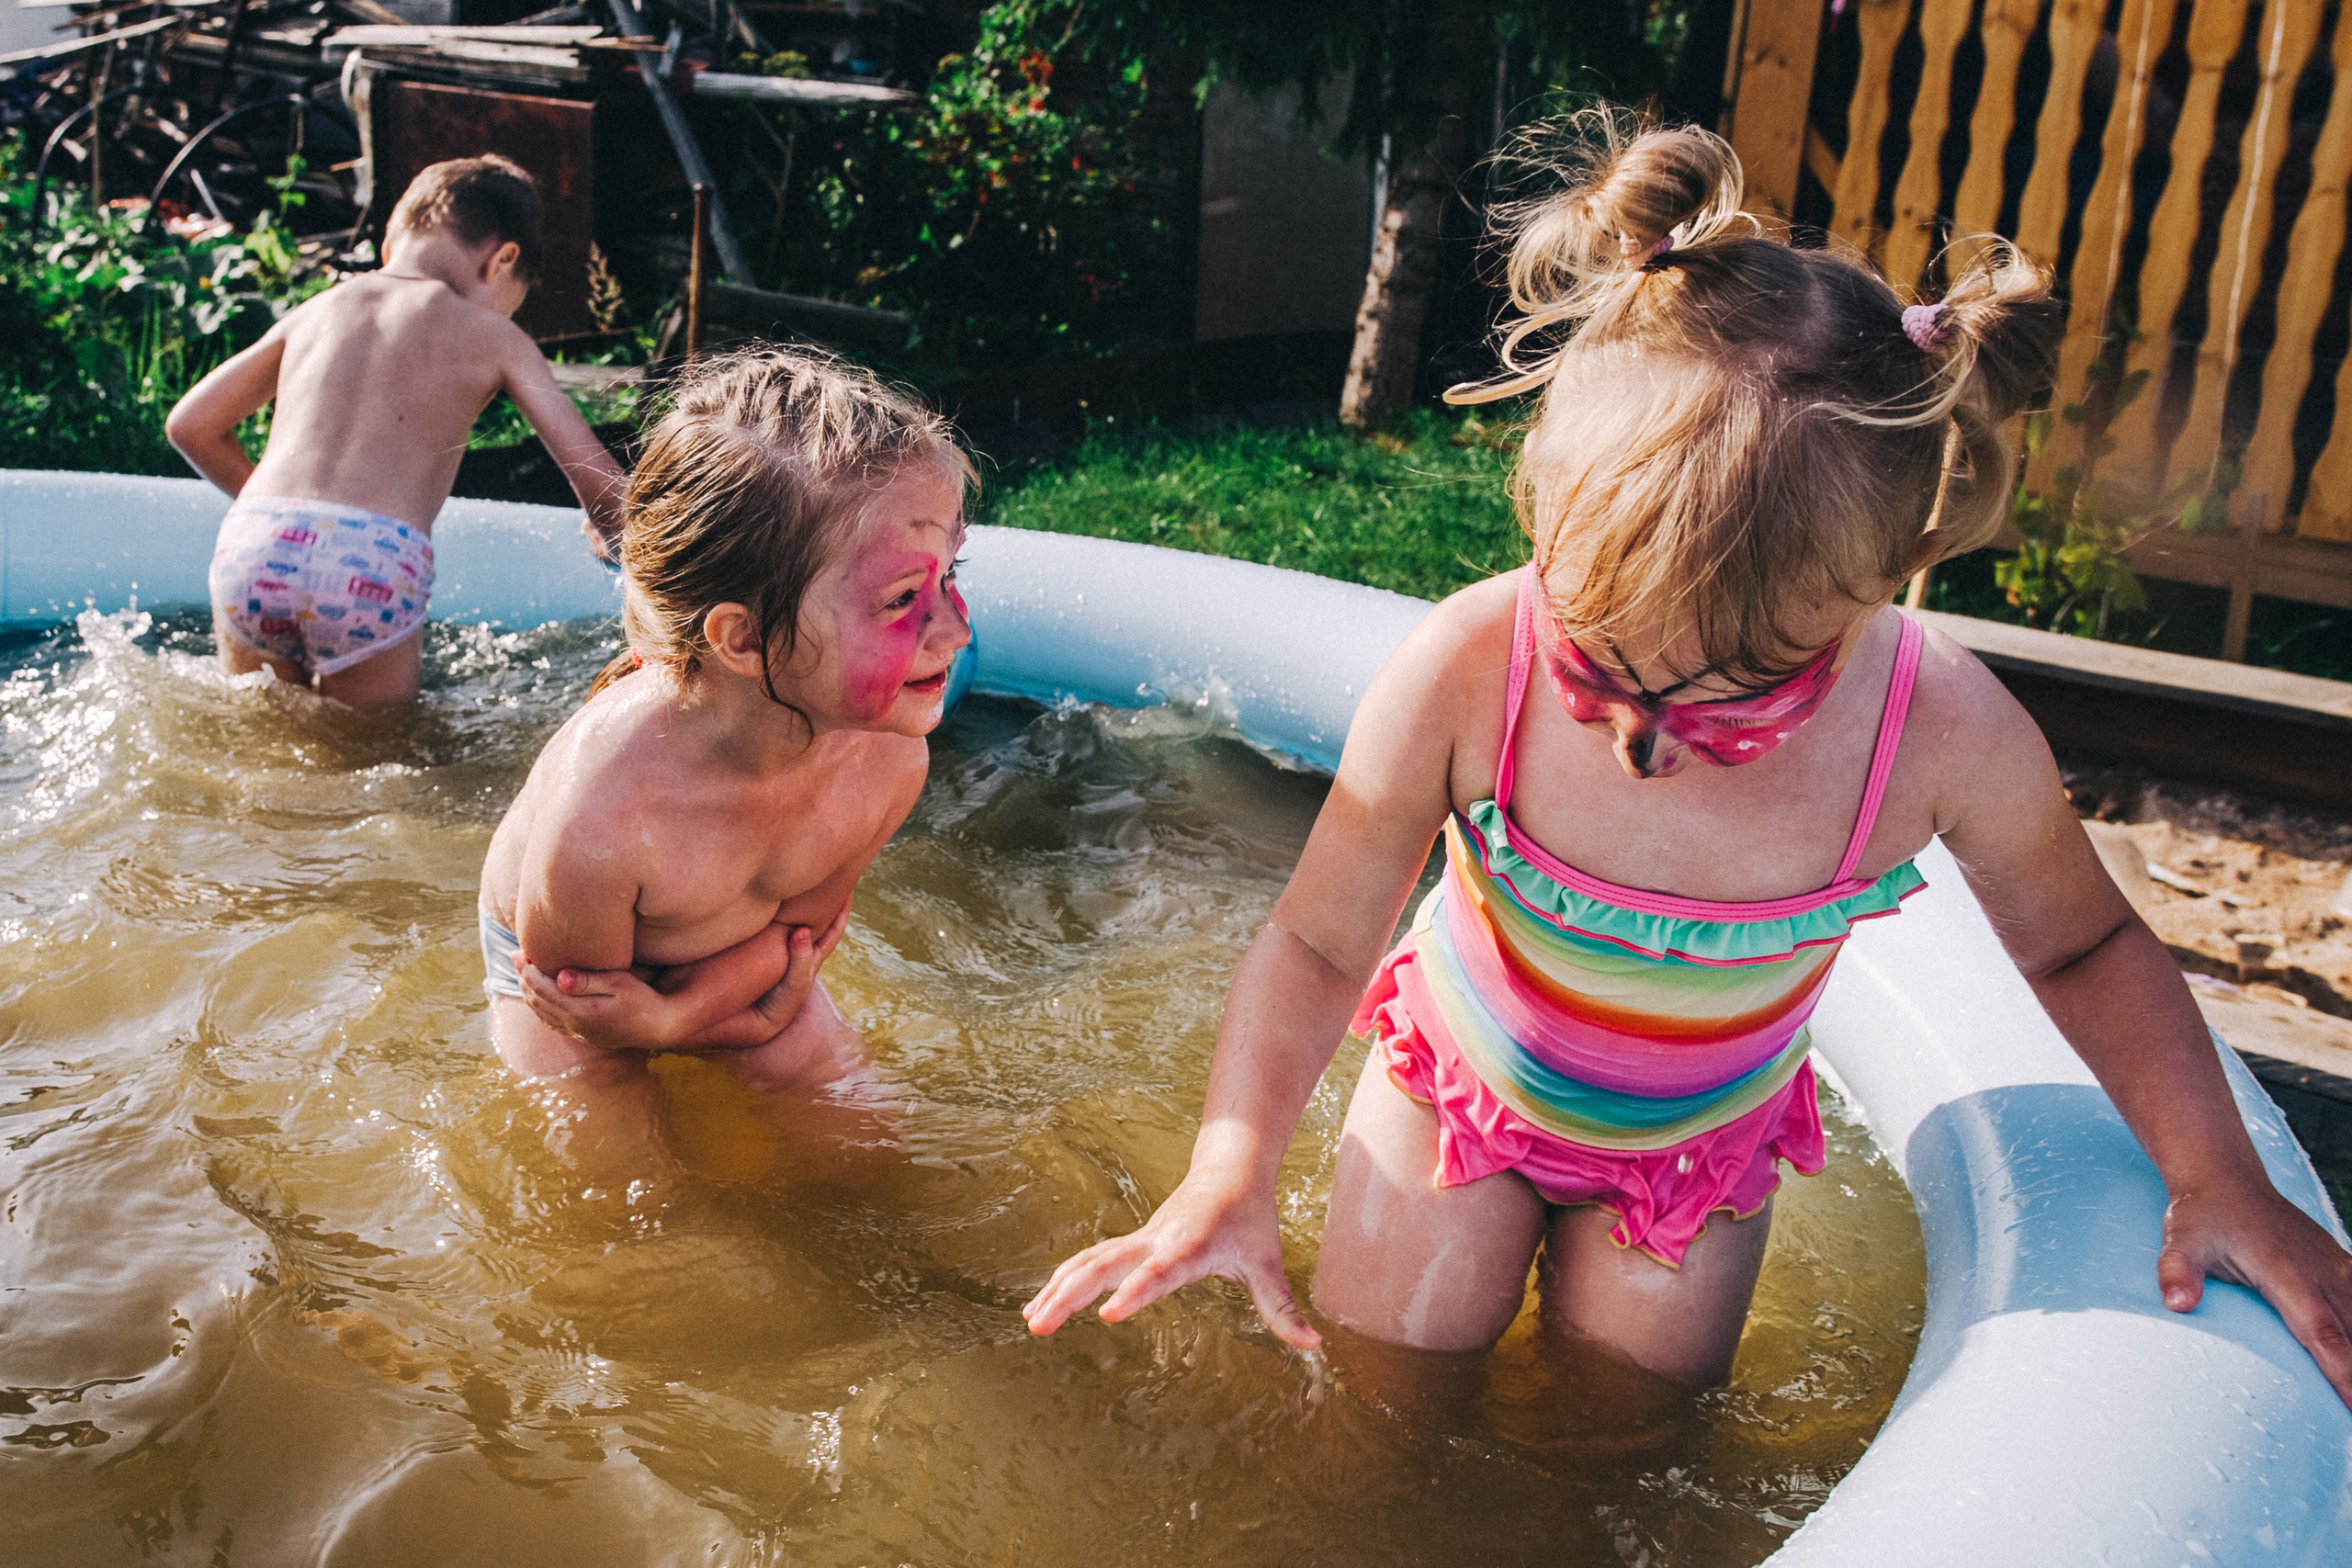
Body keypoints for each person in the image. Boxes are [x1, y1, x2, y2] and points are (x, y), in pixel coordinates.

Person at [1022, 114, 2352, 1408]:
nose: (1640, 733)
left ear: (1886, 585)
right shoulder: (1474, 663)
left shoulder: (1937, 731)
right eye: (1597, 658)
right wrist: (1229, 1166)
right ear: (1543, 506)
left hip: (1693, 1155)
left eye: (1738, 696)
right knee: (1382, 1400)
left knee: (1626, 1435)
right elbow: (1318, 942)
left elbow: (2085, 949)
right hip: (1459, 1092)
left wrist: (2217, 1174)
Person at [476, 348, 969, 1155]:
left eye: (950, 578)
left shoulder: (889, 761)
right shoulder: (604, 814)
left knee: (871, 1160)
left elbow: (799, 943)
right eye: (902, 599)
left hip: (749, 969)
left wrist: (680, 1018)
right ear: (742, 639)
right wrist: (658, 1025)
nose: (955, 631)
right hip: (570, 995)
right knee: (616, 1202)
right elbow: (590, 1014)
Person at [166, 154, 627, 711]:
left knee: (258, 738)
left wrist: (289, 526)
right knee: (377, 761)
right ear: (502, 260)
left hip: (257, 541)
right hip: (372, 560)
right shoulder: (494, 337)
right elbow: (601, 486)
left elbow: (191, 425)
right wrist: (623, 538)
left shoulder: (320, 308)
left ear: (391, 246)